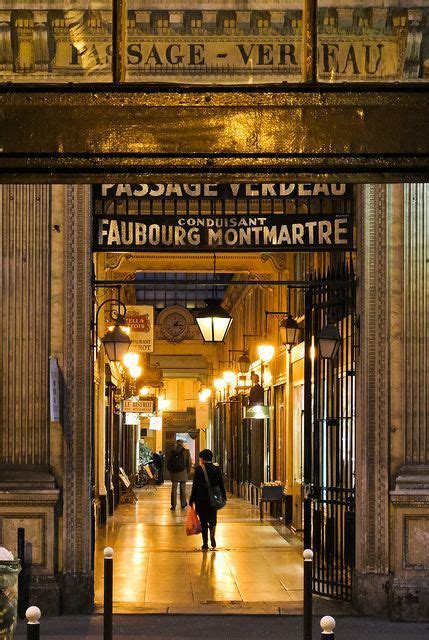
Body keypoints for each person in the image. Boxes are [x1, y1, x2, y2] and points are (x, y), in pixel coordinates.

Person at [190, 449, 226, 550]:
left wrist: (192, 498)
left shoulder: (198, 469)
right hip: (213, 499)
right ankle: (212, 535)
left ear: (203, 459)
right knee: (213, 519)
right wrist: (223, 496)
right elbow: (221, 484)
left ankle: (205, 543)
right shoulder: (216, 469)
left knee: (203, 521)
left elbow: (195, 485)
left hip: (201, 499)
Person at [167, 439, 192, 510]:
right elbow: (189, 462)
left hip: (174, 473)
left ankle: (173, 505)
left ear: (176, 444)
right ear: (182, 444)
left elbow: (168, 463)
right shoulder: (186, 451)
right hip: (183, 472)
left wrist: (171, 471)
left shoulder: (172, 452)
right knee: (182, 489)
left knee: (174, 489)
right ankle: (183, 504)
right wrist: (188, 471)